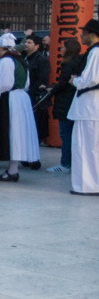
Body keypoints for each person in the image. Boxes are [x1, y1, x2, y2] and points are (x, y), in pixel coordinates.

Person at [0, 32, 40, 182]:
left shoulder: (6, 61)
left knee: (12, 133)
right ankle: (13, 169)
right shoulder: (21, 60)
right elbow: (26, 83)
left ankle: (12, 170)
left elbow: (3, 84)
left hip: (10, 99)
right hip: (21, 98)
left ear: (0, 48)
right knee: (17, 134)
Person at [67, 18, 99, 195]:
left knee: (86, 148)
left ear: (92, 34)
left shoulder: (95, 52)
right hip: (92, 106)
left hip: (90, 106)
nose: (81, 36)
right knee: (91, 148)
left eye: (84, 33)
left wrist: (75, 81)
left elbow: (92, 78)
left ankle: (87, 185)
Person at [46, 37, 84, 174]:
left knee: (65, 134)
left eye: (63, 47)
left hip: (66, 103)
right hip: (75, 102)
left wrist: (52, 90)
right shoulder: (80, 62)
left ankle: (65, 163)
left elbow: (64, 83)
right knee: (73, 135)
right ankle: (73, 163)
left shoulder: (68, 64)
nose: (61, 49)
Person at [22, 34, 51, 142]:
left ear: (37, 46)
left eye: (29, 43)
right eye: (26, 42)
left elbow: (42, 79)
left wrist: (30, 92)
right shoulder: (24, 57)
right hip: (24, 95)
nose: (26, 44)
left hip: (34, 97)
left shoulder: (41, 60)